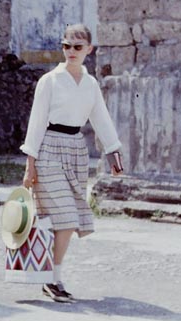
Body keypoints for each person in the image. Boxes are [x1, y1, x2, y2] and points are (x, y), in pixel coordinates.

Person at [20, 23, 124, 303]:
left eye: (78, 47)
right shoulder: (49, 81)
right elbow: (37, 122)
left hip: (76, 150)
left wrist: (114, 153)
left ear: (89, 50)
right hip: (48, 150)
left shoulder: (90, 84)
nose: (71, 52)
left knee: (65, 218)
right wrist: (30, 164)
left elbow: (100, 118)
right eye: (66, 46)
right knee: (66, 217)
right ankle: (54, 280)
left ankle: (49, 278)